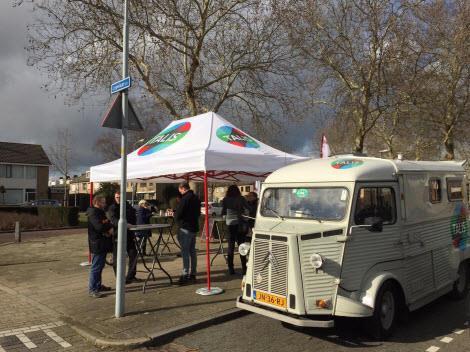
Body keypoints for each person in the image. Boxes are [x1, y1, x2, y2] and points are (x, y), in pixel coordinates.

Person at [107, 191, 139, 284]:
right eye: (117, 197)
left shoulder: (128, 206)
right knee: (117, 257)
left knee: (133, 254)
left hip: (129, 234)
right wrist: (125, 224)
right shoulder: (112, 207)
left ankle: (131, 276)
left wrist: (133, 225)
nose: (118, 199)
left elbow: (133, 216)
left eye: (120, 197)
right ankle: (119, 278)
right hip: (118, 235)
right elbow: (113, 220)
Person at [87, 195, 114, 298]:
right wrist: (108, 229)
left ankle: (98, 285)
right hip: (97, 243)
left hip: (102, 243)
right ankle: (92, 289)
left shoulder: (100, 212)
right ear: (97, 202)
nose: (105, 204)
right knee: (96, 267)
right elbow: (99, 226)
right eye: (103, 202)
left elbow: (107, 222)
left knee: (100, 266)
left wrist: (108, 228)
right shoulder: (93, 213)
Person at [174, 182, 200, 285]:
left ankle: (185, 274)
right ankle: (193, 274)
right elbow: (197, 213)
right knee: (192, 251)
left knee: (185, 252)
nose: (179, 191)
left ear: (182, 188)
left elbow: (179, 213)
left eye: (179, 190)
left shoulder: (185, 198)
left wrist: (175, 216)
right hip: (193, 227)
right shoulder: (196, 198)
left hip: (185, 228)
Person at [222, 185, 249, 275]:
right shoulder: (241, 198)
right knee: (242, 246)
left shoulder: (225, 199)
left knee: (231, 247)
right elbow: (249, 208)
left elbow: (223, 212)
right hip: (240, 224)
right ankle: (244, 268)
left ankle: (231, 268)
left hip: (229, 225)